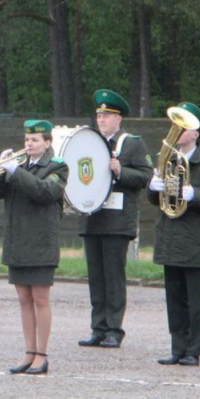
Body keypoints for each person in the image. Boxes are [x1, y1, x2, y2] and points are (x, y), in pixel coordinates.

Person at [147, 101, 200, 367]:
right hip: (170, 236)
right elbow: (157, 200)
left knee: (195, 299)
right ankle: (177, 348)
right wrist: (153, 187)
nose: (177, 131)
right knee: (174, 298)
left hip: (195, 239)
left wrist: (197, 195)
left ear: (195, 133)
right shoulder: (168, 158)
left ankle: (194, 350)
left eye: (183, 127)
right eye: (175, 126)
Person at [0, 119, 67, 375]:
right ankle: (28, 351)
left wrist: (15, 171)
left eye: (34, 140)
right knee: (23, 299)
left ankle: (42, 355)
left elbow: (43, 192)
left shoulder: (57, 167)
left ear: (47, 143)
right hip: (18, 240)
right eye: (27, 140)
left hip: (41, 241)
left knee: (40, 299)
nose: (29, 144)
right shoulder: (18, 166)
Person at [78, 89, 153, 349]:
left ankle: (114, 329)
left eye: (107, 116)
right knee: (96, 277)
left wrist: (121, 170)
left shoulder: (131, 143)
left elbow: (145, 176)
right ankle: (97, 328)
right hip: (93, 218)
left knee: (113, 275)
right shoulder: (89, 142)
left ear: (118, 119)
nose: (101, 120)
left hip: (118, 220)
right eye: (99, 115)